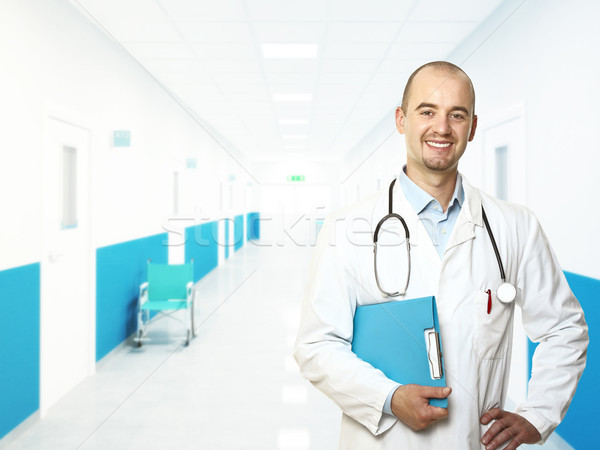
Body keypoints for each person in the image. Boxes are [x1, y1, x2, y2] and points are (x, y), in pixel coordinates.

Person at [293, 61, 588, 449]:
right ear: (401, 120)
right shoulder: (347, 227)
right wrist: (389, 398)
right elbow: (316, 346)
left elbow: (564, 329)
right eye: (427, 111)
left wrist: (538, 414)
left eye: (457, 115)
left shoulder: (516, 226)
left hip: (474, 440)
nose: (442, 128)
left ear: (473, 127)